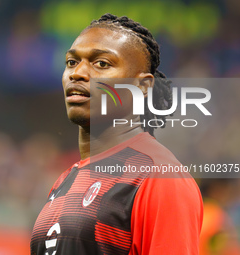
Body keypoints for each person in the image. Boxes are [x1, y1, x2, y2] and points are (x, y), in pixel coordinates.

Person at [30, 13, 203, 255]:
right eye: (71, 62)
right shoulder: (65, 180)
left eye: (101, 64)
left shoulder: (159, 177)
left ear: (142, 86)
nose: (77, 73)